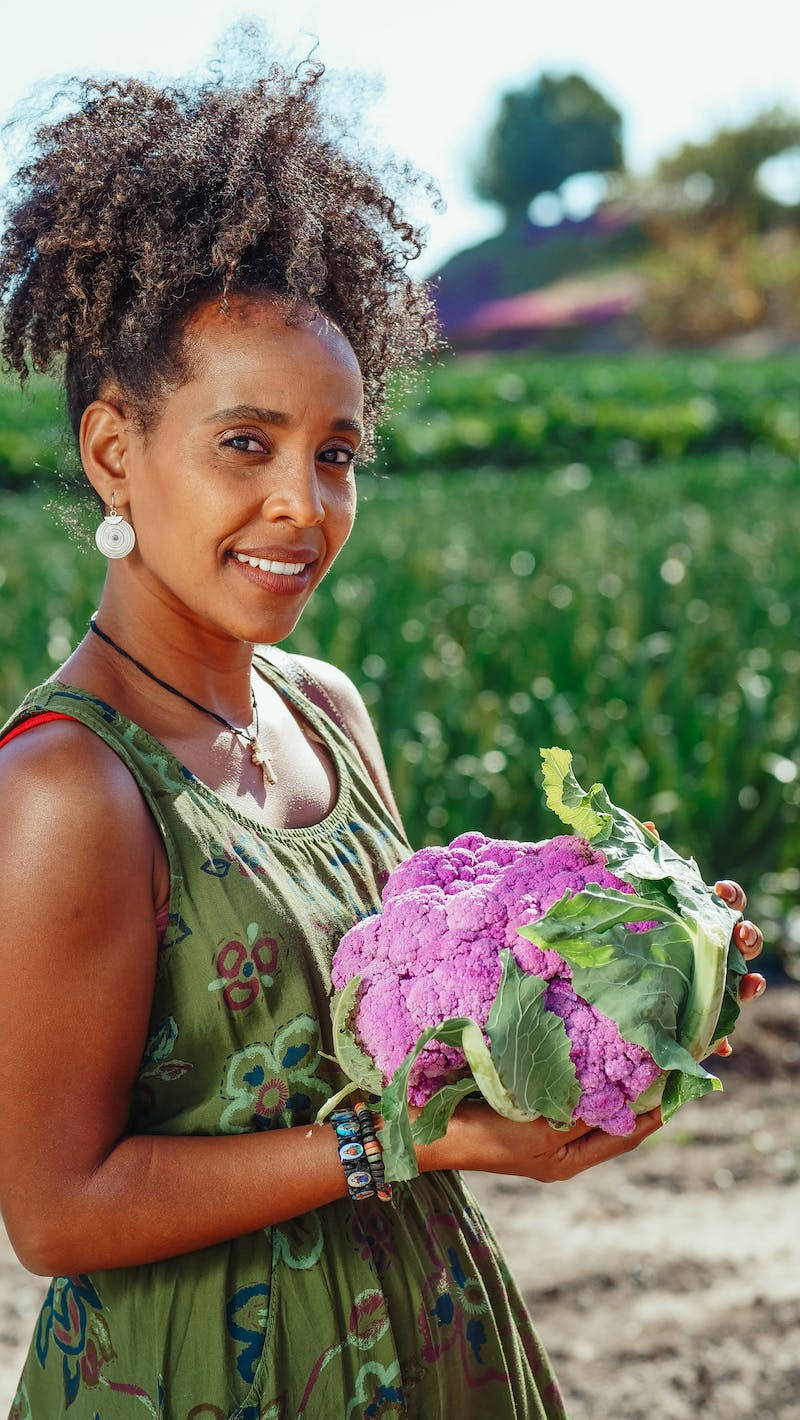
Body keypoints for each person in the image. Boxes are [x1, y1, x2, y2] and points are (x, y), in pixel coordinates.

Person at [0, 35, 766, 1420]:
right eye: (247, 444)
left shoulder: (327, 710)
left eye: (336, 452)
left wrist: (636, 975)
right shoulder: (69, 788)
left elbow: (414, 1044)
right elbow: (56, 1215)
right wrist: (395, 1150)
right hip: (198, 1381)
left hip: (433, 1336)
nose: (307, 503)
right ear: (117, 450)